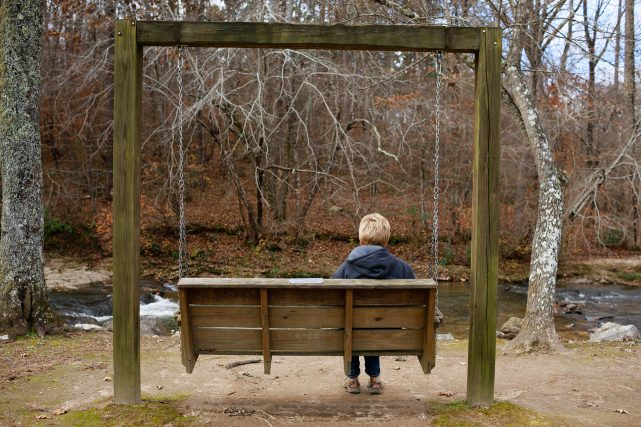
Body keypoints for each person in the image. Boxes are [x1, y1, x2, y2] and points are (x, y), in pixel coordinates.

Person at [332, 213, 415, 394]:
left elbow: (332, 302)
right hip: (387, 331)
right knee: (375, 323)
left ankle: (352, 379)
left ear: (361, 238)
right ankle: (375, 378)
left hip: (351, 330)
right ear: (386, 239)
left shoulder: (345, 268)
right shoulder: (403, 268)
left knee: (350, 324)